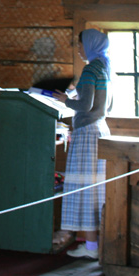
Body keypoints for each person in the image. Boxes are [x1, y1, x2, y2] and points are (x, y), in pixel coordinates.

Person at [54, 28, 113, 260]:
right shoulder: (104, 68)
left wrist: (65, 100)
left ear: (89, 45)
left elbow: (85, 106)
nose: (78, 49)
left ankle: (91, 247)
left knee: (85, 189)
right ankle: (91, 245)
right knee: (93, 190)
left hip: (87, 134)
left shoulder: (90, 70)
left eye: (80, 45)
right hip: (99, 130)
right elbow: (105, 105)